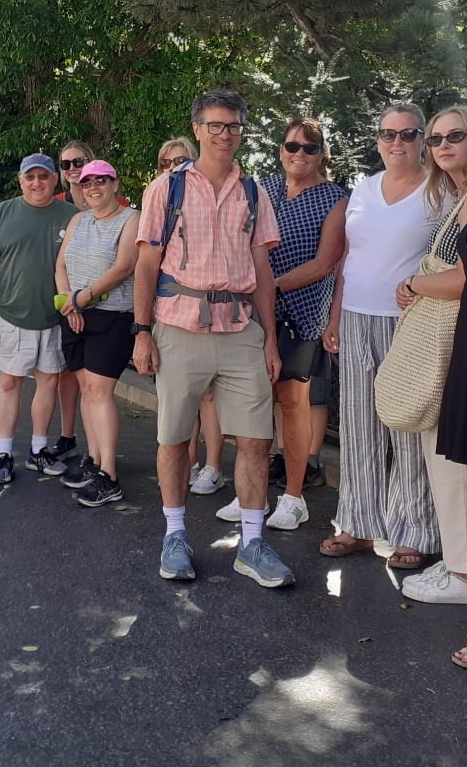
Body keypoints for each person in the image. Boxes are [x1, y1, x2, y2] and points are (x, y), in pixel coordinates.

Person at [134, 88, 289, 587]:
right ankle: (175, 534)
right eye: (216, 125)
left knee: (257, 440)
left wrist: (268, 338)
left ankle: (251, 542)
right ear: (198, 128)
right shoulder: (167, 188)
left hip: (242, 328)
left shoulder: (254, 190)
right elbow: (145, 263)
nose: (225, 135)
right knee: (175, 438)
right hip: (178, 326)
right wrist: (141, 332)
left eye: (234, 126)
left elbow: (263, 266)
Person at [320, 103, 440, 569]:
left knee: (407, 425)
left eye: (408, 134)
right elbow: (348, 259)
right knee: (356, 426)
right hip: (354, 317)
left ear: (421, 139)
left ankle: (414, 531)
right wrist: (334, 318)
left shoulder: (440, 191)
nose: (397, 142)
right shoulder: (364, 189)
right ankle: (357, 523)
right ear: (378, 140)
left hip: (409, 323)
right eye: (388, 134)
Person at [386, 105, 467, 608]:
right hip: (462, 339)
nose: (444, 145)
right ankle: (460, 567)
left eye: (457, 134)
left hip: (459, 342)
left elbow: (464, 278)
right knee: (450, 458)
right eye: (435, 139)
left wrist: (412, 282)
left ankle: (463, 574)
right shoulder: (465, 194)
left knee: (453, 461)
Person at [222, 117, 348, 531]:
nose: (299, 154)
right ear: (281, 150)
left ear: (322, 155)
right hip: (252, 312)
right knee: (254, 401)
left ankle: (294, 497)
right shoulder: (262, 189)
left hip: (300, 313)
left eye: (310, 148)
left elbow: (325, 262)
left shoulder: (335, 199)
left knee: (293, 404)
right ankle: (251, 492)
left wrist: (270, 286)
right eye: (292, 146)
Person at [0, 153, 77, 484]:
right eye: (30, 177)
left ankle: (38, 451)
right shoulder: (3, 212)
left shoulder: (72, 216)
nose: (37, 182)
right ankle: (3, 454)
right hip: (10, 314)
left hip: (54, 316)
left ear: (54, 180)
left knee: (49, 382)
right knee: (9, 382)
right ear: (21, 180)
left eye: (43, 176)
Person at [54, 159, 139, 505]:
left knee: (100, 393)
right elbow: (60, 264)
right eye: (87, 182)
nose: (93, 187)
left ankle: (109, 476)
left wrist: (82, 299)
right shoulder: (77, 219)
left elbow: (124, 267)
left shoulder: (131, 218)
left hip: (111, 317)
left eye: (101, 181)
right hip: (73, 314)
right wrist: (68, 303)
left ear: (115, 185)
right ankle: (94, 459)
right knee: (87, 390)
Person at [153, 137, 226, 495]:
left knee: (209, 397)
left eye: (180, 159)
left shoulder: (207, 199)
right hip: (172, 311)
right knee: (182, 399)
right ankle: (190, 460)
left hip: (212, 310)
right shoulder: (162, 200)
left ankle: (213, 466)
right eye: (166, 162)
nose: (173, 166)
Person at [50, 140, 95, 462]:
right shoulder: (57, 205)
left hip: (102, 302)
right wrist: (69, 302)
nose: (72, 169)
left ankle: (98, 450)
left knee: (94, 383)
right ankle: (68, 435)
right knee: (68, 372)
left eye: (77, 162)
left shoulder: (108, 199)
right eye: (65, 165)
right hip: (64, 301)